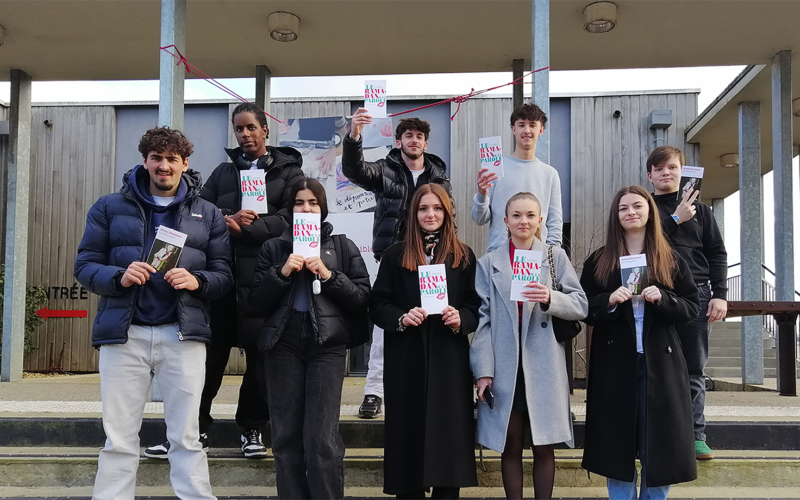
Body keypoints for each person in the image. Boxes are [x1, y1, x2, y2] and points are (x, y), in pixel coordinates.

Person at [74, 127, 233, 500]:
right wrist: (118, 275)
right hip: (124, 335)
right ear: (145, 160)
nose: (164, 166)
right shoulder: (109, 206)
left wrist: (197, 281)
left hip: (183, 334)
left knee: (187, 436)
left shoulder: (207, 213)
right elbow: (84, 265)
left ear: (185, 163)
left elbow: (224, 275)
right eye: (157, 158)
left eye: (172, 159)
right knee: (119, 436)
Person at [144, 102, 304, 460]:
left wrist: (251, 229)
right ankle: (192, 428)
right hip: (221, 285)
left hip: (265, 286)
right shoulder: (222, 172)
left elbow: (293, 218)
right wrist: (228, 218)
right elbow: (201, 209)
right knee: (205, 363)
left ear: (265, 130)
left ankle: (251, 430)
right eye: (239, 129)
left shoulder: (289, 174)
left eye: (251, 128)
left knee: (260, 366)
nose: (245, 135)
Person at [249, 177, 371, 499]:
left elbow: (361, 299)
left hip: (326, 348)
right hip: (283, 346)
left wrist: (330, 277)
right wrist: (282, 273)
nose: (306, 208)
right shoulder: (274, 248)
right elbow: (256, 303)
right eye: (300, 202)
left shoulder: (342, 246)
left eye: (313, 202)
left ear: (323, 207)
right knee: (286, 437)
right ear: (290, 209)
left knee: (322, 439)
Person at [580, 185, 700, 499]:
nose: (631, 212)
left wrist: (665, 298)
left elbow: (692, 307)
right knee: (615, 443)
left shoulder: (670, 259)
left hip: (660, 363)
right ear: (615, 216)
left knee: (660, 443)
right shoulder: (599, 261)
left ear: (649, 212)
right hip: (614, 365)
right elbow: (584, 308)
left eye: (637, 206)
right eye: (623, 208)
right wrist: (607, 300)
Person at [470, 192, 588, 500]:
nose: (524, 221)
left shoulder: (554, 257)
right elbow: (483, 322)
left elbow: (581, 305)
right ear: (505, 221)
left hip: (544, 363)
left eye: (531, 215)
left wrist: (550, 297)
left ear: (539, 221)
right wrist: (483, 370)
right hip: (505, 364)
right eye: (517, 215)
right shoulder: (487, 264)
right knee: (510, 445)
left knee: (543, 444)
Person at [370, 183, 479, 500]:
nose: (430, 214)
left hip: (449, 360)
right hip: (407, 360)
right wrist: (402, 318)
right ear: (413, 214)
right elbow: (378, 304)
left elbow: (475, 306)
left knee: (449, 440)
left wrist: (461, 318)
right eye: (423, 208)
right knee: (408, 441)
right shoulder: (395, 255)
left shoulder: (463, 255)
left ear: (447, 213)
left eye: (436, 208)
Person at [343, 108, 454, 419]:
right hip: (393, 258)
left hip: (432, 260)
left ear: (426, 143)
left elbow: (450, 218)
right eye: (409, 136)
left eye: (419, 136)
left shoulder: (439, 177)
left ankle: (433, 387)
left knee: (435, 321)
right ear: (399, 141)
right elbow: (354, 171)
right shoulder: (385, 170)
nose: (414, 140)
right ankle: (374, 391)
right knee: (385, 323)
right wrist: (354, 136)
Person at [647, 145, 727, 460]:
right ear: (650, 174)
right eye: (660, 168)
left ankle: (695, 436)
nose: (667, 173)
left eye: (673, 168)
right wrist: (675, 219)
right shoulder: (645, 207)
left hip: (697, 295)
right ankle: (656, 434)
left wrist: (720, 293)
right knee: (654, 366)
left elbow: (717, 253)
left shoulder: (702, 211)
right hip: (654, 294)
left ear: (682, 172)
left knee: (693, 368)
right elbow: (641, 243)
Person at [472, 103, 563, 250]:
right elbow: (479, 219)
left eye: (532, 125)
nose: (526, 130)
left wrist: (551, 256)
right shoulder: (495, 169)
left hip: (536, 258)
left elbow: (554, 223)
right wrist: (481, 195)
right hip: (500, 257)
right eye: (521, 125)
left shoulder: (550, 174)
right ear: (513, 129)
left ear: (541, 130)